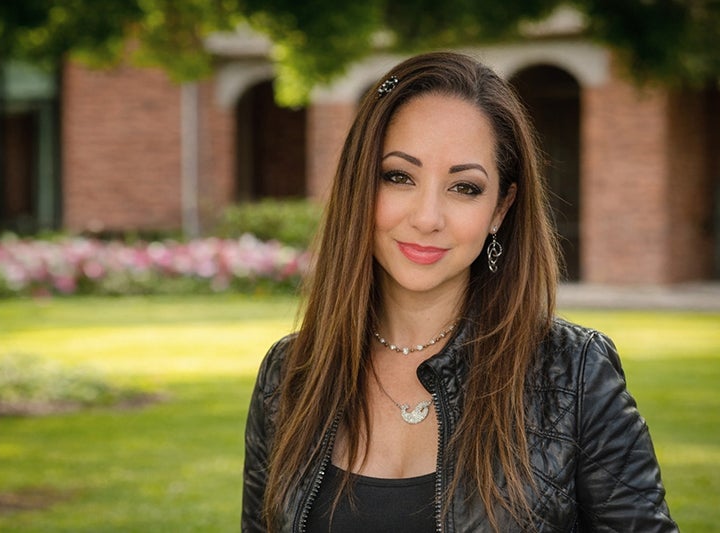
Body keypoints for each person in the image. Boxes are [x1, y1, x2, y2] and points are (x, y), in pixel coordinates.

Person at [241, 51, 677, 532]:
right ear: (358, 184)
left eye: (464, 187)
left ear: (500, 208)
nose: (427, 218)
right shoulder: (290, 375)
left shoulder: (574, 375)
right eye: (399, 177)